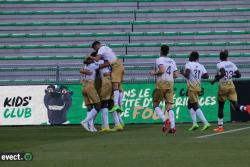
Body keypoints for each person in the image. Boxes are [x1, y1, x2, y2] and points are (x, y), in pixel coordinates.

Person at [211, 50, 250, 133]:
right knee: (235, 107)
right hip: (231, 86)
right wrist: (231, 75)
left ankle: (220, 127)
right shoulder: (232, 64)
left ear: (220, 57)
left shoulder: (219, 64)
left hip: (223, 86)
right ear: (227, 57)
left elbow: (223, 73)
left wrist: (215, 80)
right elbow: (239, 75)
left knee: (221, 106)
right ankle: (247, 108)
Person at [91, 52, 124, 132]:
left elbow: (94, 68)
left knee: (104, 103)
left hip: (106, 82)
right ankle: (118, 124)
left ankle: (106, 126)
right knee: (111, 104)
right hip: (113, 82)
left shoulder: (99, 62)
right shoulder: (110, 62)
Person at [150, 45, 178, 135]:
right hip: (170, 83)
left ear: (161, 51)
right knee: (169, 106)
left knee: (155, 104)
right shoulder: (172, 61)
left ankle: (165, 120)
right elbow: (176, 75)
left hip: (161, 83)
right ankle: (173, 127)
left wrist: (153, 73)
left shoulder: (159, 59)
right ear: (168, 52)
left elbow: (162, 70)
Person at [90, 41, 124, 113]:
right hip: (117, 66)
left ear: (96, 46)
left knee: (115, 88)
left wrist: (90, 57)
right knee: (119, 88)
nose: (96, 51)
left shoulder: (101, 49)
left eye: (95, 49)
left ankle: (118, 105)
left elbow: (97, 59)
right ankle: (119, 105)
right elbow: (108, 62)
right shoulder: (107, 48)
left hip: (116, 67)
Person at [180, 51, 211, 131]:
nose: (189, 56)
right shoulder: (201, 66)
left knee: (194, 105)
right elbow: (207, 76)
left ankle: (205, 123)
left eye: (189, 55)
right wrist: (199, 76)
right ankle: (194, 124)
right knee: (189, 104)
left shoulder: (188, 64)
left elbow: (187, 74)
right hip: (198, 87)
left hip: (192, 87)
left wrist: (182, 72)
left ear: (192, 57)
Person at [80, 56, 101, 132]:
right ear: (91, 60)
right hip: (90, 86)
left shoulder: (85, 66)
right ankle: (85, 121)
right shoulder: (93, 65)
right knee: (98, 105)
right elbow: (102, 65)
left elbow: (82, 70)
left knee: (89, 107)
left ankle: (91, 127)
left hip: (83, 86)